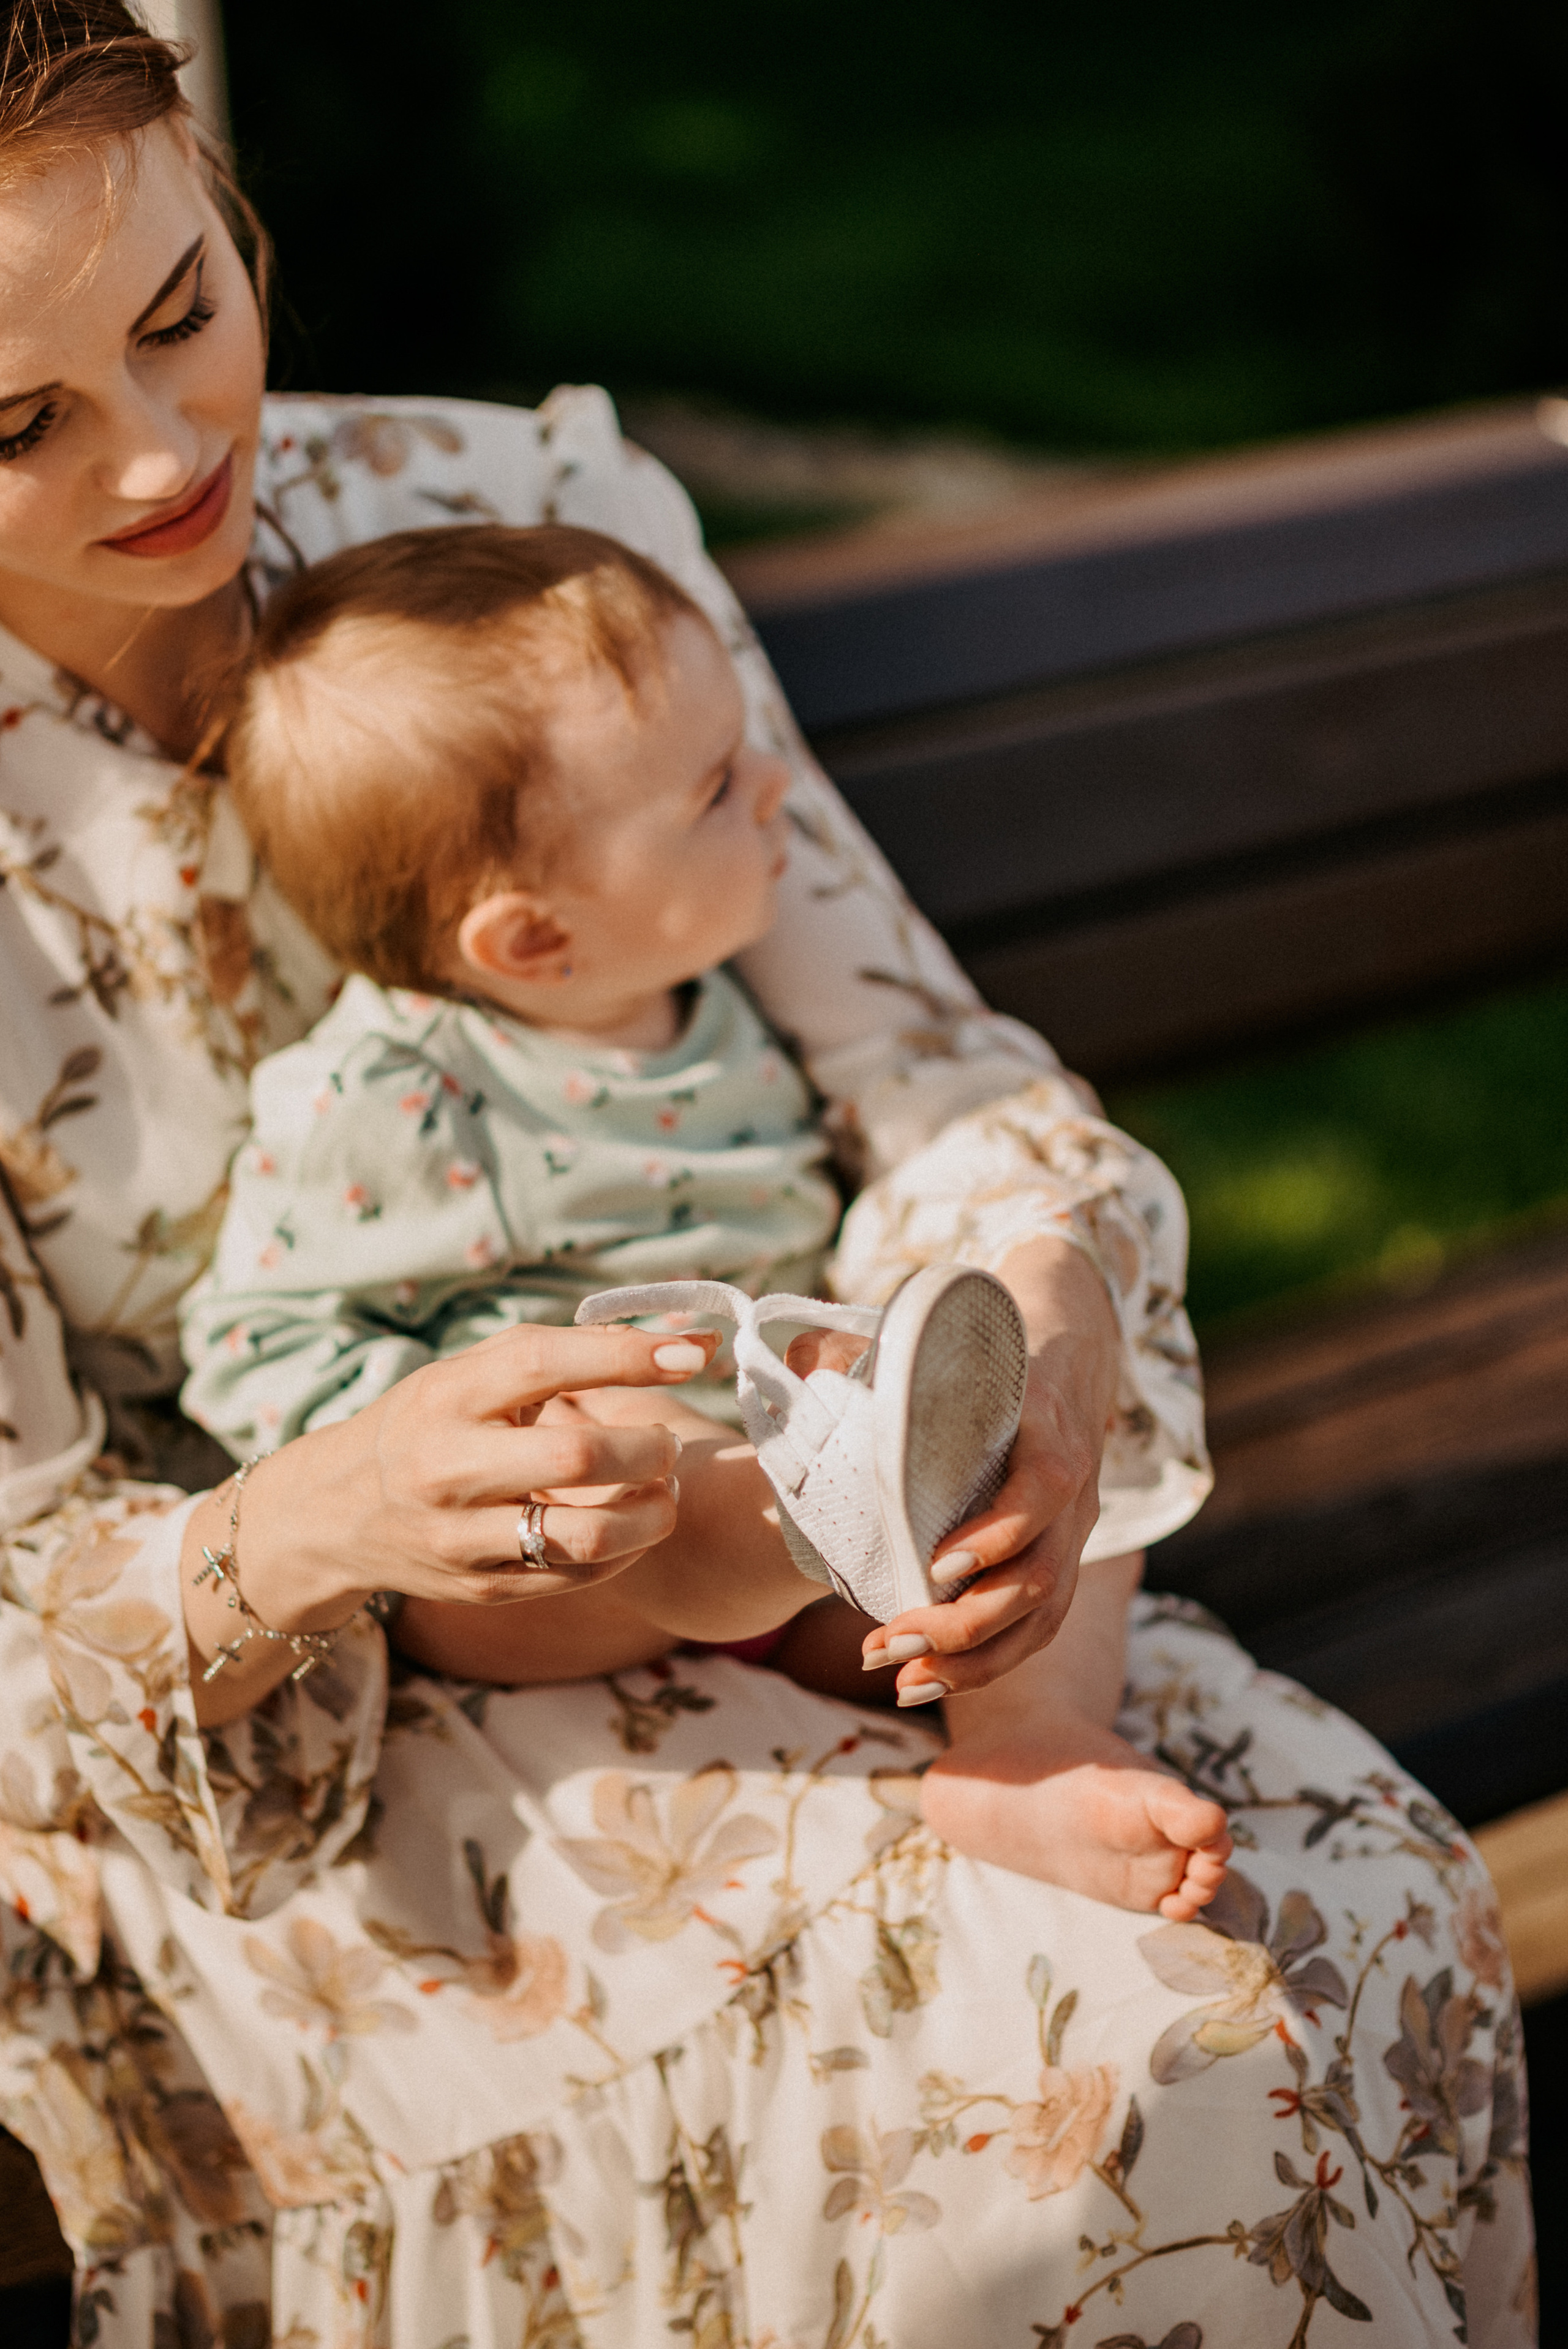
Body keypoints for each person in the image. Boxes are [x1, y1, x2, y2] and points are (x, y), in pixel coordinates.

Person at [0, 7, 1533, 2346]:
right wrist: (330, 1521)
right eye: (21, 424)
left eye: (185, 307)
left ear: (228, 206)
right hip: (299, 1777)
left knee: (1344, 1910)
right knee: (1088, 2063)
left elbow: (921, 1074)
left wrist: (1046, 1279)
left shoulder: (511, 513)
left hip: (803, 1508)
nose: (166, 450)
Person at [176, 518, 1235, 1921]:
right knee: (648, 1457)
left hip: (783, 1502)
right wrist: (442, 1442)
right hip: (551, 1575)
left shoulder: (708, 989)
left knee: (1052, 1460)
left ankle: (1022, 1738)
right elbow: (261, 1340)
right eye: (716, 788)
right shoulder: (387, 1097)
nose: (777, 789)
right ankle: (833, 1499)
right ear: (534, 941)